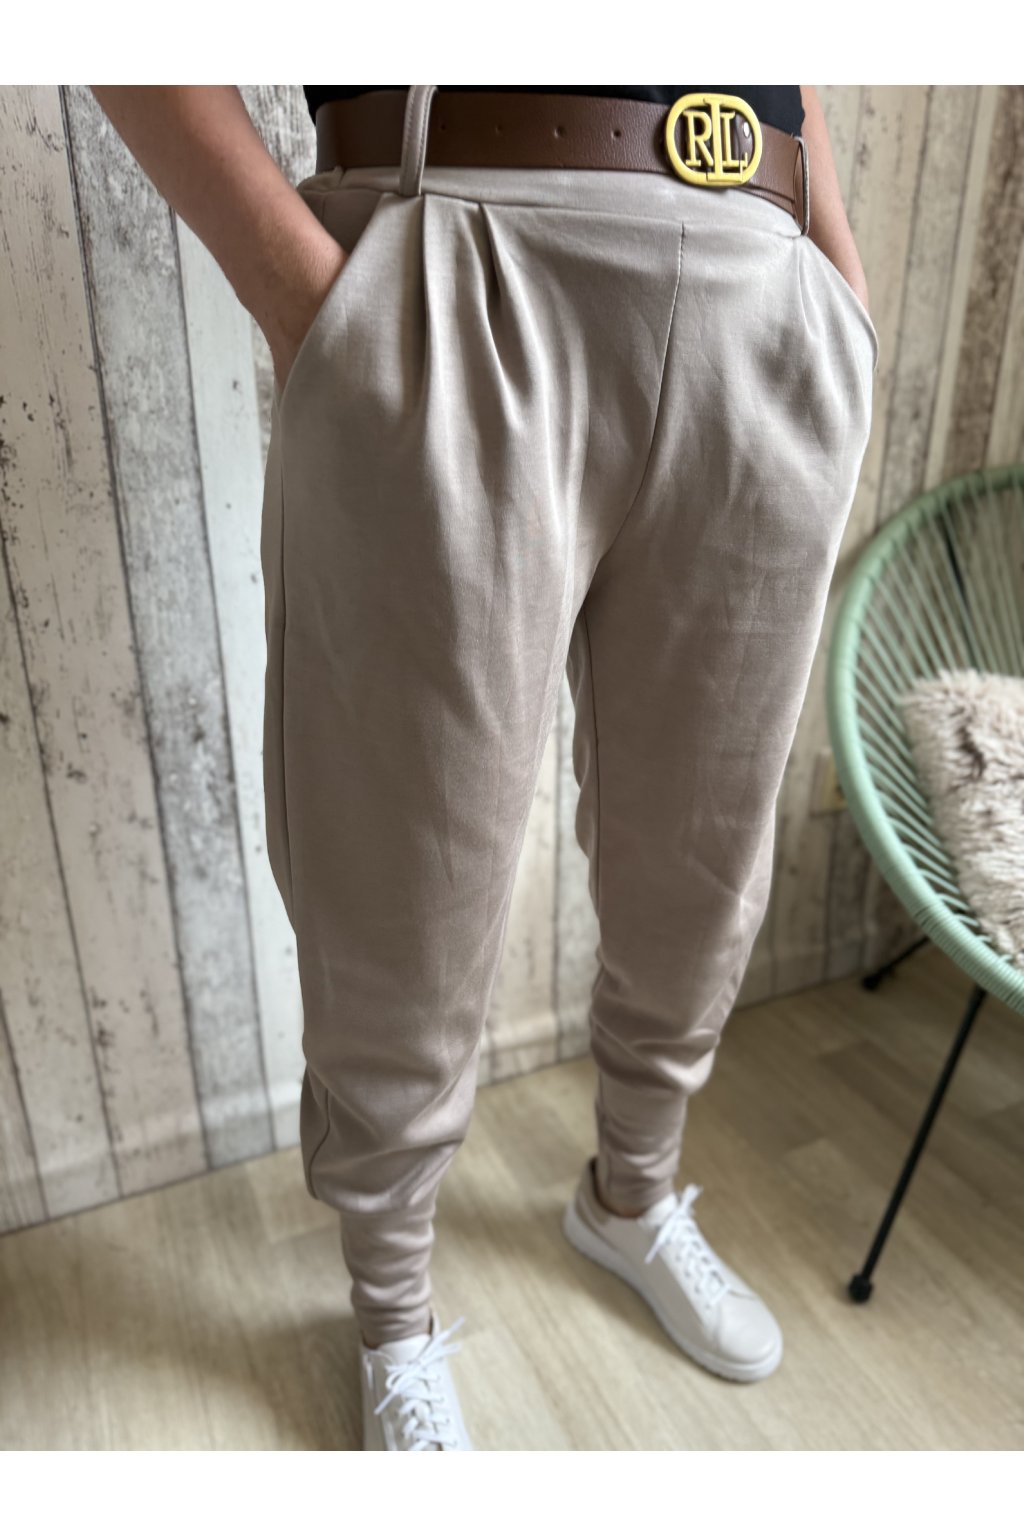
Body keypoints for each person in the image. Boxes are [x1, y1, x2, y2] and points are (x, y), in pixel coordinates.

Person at [89, 84, 877, 1452]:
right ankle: (391, 1311)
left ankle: (632, 1196)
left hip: (765, 278)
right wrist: (313, 303)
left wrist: (830, 259)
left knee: (702, 849)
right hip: (461, 240)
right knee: (405, 875)